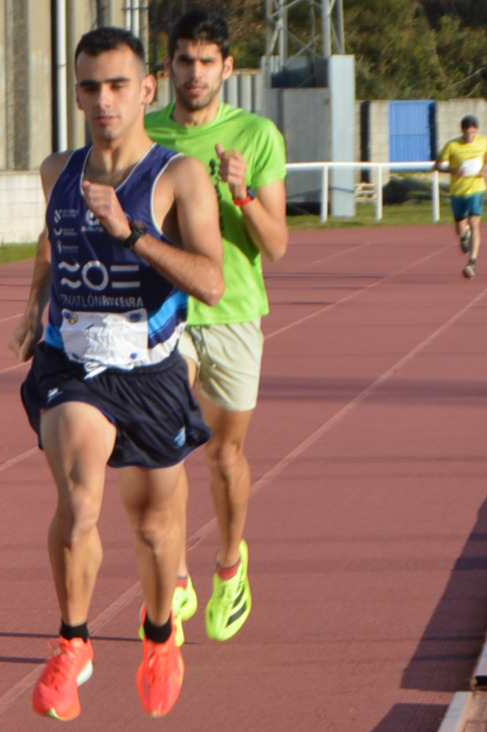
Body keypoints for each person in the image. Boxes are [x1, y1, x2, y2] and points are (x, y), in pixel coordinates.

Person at [9, 26, 224, 721]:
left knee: (158, 527)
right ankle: (72, 642)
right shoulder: (57, 171)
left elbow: (212, 283)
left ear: (146, 91)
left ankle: (160, 636)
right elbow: (53, 239)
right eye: (89, 87)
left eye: (117, 86)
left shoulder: (177, 177)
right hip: (72, 360)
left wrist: (134, 233)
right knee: (78, 501)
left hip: (152, 368)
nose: (103, 100)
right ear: (75, 93)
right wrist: (33, 301)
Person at [144, 8, 289, 643]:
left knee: (225, 454)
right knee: (165, 453)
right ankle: (175, 576)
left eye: (207, 62)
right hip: (163, 315)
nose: (194, 73)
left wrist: (243, 194)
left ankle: (230, 564)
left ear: (228, 68)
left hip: (232, 312)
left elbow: (278, 246)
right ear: (167, 65)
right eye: (184, 60)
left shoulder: (256, 136)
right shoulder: (143, 133)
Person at [434, 115, 487, 279]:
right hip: (458, 191)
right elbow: (437, 165)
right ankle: (464, 235)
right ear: (462, 131)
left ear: (477, 131)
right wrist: (454, 170)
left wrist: (486, 167)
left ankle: (472, 262)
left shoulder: (483, 141)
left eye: (473, 133)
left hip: (477, 189)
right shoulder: (452, 146)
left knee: (474, 223)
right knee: (460, 227)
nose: (470, 136)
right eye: (467, 133)